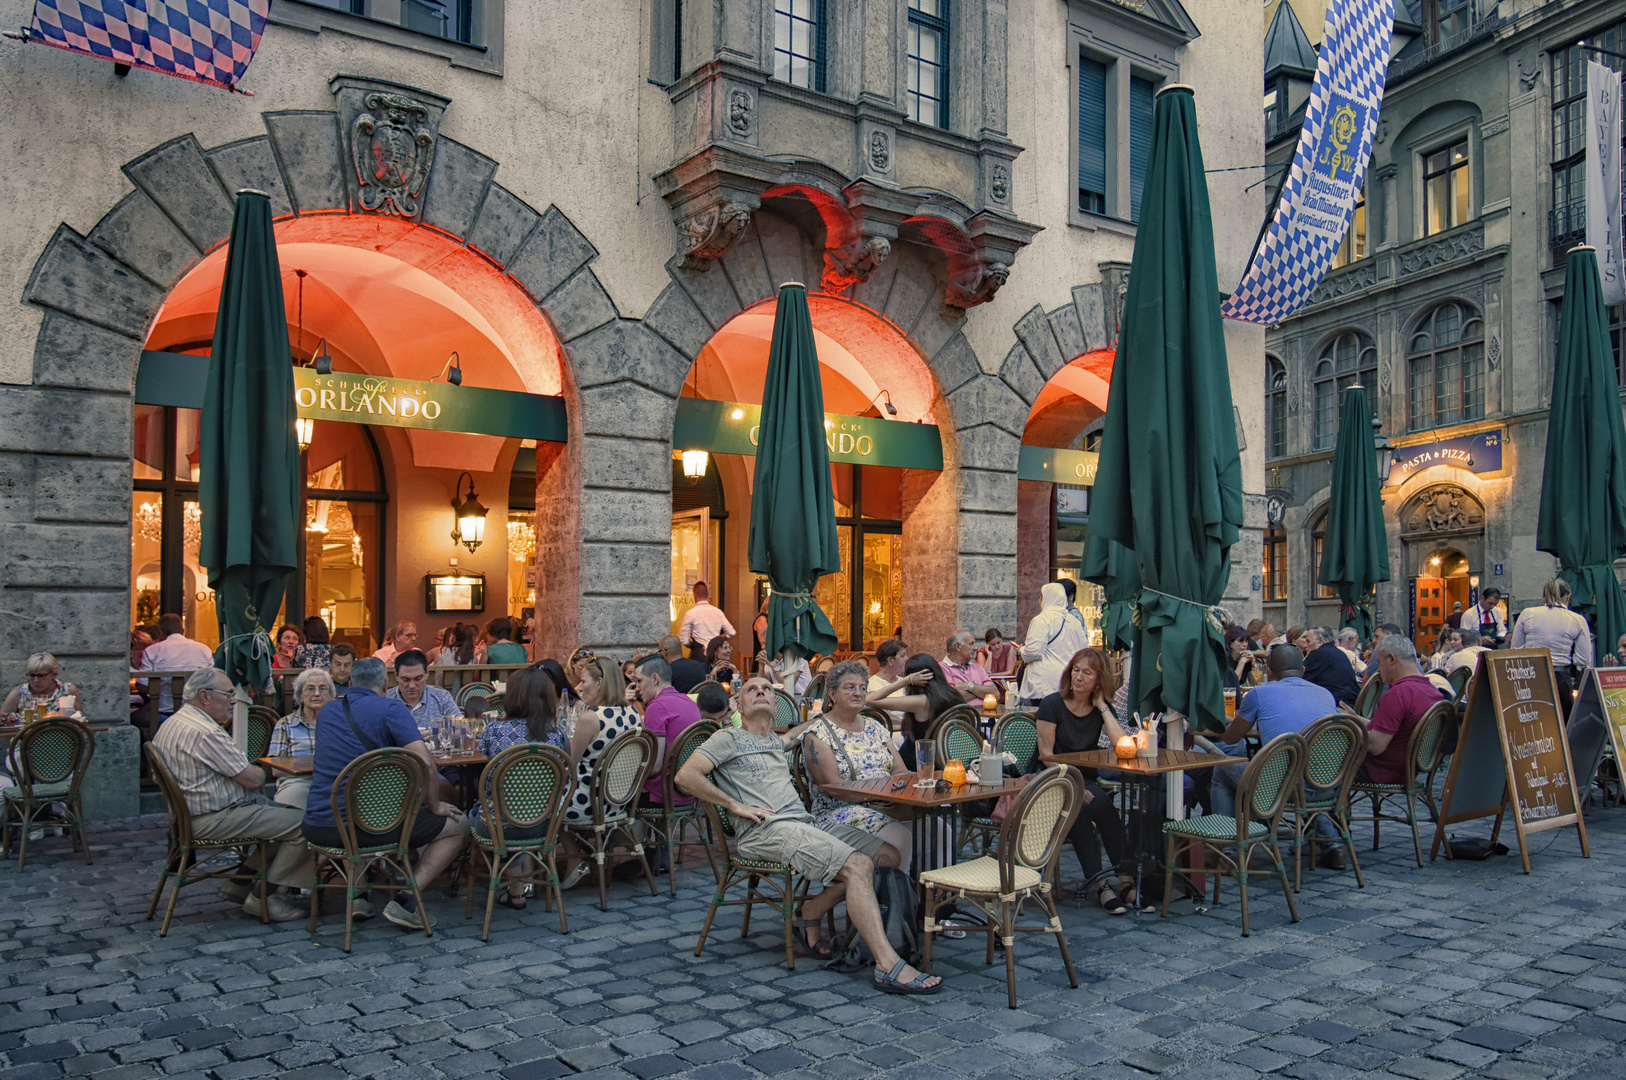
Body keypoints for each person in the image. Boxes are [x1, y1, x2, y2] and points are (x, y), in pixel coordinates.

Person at [676, 676, 942, 995]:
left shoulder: (775, 742)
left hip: (804, 825)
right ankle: (887, 965)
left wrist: (835, 710)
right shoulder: (728, 739)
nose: (762, 691)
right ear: (738, 704)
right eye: (752, 689)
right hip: (768, 830)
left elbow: (798, 732)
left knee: (889, 857)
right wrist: (733, 804)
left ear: (776, 706)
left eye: (768, 690)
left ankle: (811, 911)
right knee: (857, 866)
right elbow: (685, 775)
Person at [303, 658, 470, 931]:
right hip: (371, 829)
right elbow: (426, 762)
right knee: (459, 824)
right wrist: (434, 804)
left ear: (350, 682)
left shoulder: (328, 712)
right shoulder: (391, 708)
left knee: (358, 808)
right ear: (385, 684)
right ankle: (406, 899)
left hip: (321, 825)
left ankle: (358, 894)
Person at [153, 667, 313, 922]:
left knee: (285, 815)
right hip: (213, 816)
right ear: (205, 696)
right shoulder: (205, 732)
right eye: (227, 694)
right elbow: (252, 779)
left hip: (193, 815)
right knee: (307, 825)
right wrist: (259, 771)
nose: (233, 700)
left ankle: (239, 883)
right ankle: (262, 897)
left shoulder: (174, 722)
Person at [1212, 645, 1343, 866]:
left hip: (1280, 786)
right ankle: (1332, 844)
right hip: (1326, 784)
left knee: (1223, 770)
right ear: (1303, 671)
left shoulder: (1260, 693)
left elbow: (1231, 738)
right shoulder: (1325, 693)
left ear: (1269, 671)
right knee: (1299, 771)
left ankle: (1228, 849)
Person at [1034, 648, 1140, 913]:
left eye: (1087, 673)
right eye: (1075, 670)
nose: (1078, 677)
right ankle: (1101, 884)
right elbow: (1046, 755)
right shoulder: (1051, 704)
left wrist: (1103, 706)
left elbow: (1120, 745)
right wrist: (1074, 786)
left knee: (1105, 807)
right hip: (1053, 778)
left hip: (1086, 779)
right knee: (1077, 809)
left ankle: (1125, 879)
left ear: (1098, 680)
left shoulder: (1098, 709)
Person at [469, 667, 572, 910]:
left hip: (498, 826)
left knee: (481, 809)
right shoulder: (556, 736)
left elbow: (481, 772)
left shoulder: (494, 730)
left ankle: (516, 889)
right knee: (519, 810)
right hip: (544, 825)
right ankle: (525, 880)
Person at [623, 654, 702, 876]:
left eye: (638, 681)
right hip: (688, 790)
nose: (636, 688)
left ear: (655, 679)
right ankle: (657, 848)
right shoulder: (687, 701)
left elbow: (655, 766)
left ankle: (636, 855)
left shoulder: (657, 707)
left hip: (665, 793)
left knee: (619, 793)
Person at [561, 656, 640, 862]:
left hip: (586, 803)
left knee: (542, 803)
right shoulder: (633, 713)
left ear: (598, 683)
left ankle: (573, 860)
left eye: (584, 681)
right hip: (619, 801)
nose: (579, 688)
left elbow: (569, 766)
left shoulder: (591, 719)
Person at [1345, 635, 1446, 785]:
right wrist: (1355, 718)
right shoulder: (1432, 691)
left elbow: (1375, 746)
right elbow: (1393, 727)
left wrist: (1347, 727)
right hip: (1410, 768)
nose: (1378, 670)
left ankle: (1326, 805)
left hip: (1382, 771)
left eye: (1379, 663)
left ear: (1392, 659)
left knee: (1328, 758)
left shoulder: (1398, 694)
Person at [1511, 578, 1593, 713]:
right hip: (1559, 677)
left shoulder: (1527, 613)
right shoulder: (1577, 619)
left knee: (1530, 721)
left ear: (1544, 596)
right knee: (1561, 723)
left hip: (1529, 675)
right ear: (1568, 597)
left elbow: (1515, 649)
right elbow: (1583, 659)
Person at [867, 655, 957, 765]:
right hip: (950, 758)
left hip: (919, 762)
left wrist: (905, 681)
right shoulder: (953, 695)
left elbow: (869, 699)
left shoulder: (921, 702)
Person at [268, 667, 334, 810]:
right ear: (300, 695)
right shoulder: (285, 724)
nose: (317, 693)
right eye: (310, 689)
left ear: (330, 695)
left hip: (332, 783)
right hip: (296, 782)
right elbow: (276, 768)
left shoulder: (339, 724)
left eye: (323, 689)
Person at [1019, 582, 1089, 706]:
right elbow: (1084, 651)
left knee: (1042, 720)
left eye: (1041, 596)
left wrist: (1022, 650)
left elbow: (1033, 651)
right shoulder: (1075, 622)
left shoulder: (1042, 620)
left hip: (1044, 684)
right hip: (1069, 682)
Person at [140, 613, 216, 717]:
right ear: (183, 630)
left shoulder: (152, 651)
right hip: (197, 712)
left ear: (160, 631)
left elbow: (143, 686)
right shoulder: (204, 649)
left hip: (163, 712)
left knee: (134, 717)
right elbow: (212, 681)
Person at [2, 652, 82, 719]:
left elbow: (81, 722)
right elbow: (2, 720)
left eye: (41, 676)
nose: (36, 680)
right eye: (32, 675)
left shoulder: (67, 691)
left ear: (54, 675)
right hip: (28, 737)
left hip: (61, 736)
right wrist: (9, 720)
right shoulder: (19, 693)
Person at [1302, 627, 1359, 706]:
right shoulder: (1336, 651)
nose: (1305, 645)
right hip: (1350, 702)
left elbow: (1300, 680)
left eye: (1308, 641)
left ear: (1321, 640)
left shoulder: (1319, 653)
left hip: (1336, 706)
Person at [678, 582, 735, 660]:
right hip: (716, 654)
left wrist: (693, 645)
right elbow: (731, 632)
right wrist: (720, 638)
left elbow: (684, 640)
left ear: (694, 595)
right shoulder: (718, 612)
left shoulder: (691, 614)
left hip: (698, 654)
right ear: (707, 594)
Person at [941, 629, 997, 703]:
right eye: (971, 644)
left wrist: (970, 686)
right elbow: (953, 698)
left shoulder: (977, 667)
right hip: (962, 714)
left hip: (986, 713)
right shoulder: (942, 668)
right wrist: (981, 693)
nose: (976, 648)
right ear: (958, 646)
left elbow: (996, 694)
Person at [867, 639, 909, 731]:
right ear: (890, 660)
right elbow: (880, 714)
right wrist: (906, 725)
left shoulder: (905, 681)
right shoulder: (872, 685)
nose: (907, 659)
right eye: (903, 656)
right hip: (891, 731)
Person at [1222, 626, 1254, 690]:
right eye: (1241, 641)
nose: (1245, 644)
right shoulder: (1225, 659)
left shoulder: (1245, 658)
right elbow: (1232, 683)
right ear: (1231, 644)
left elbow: (1253, 683)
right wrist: (1241, 663)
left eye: (1246, 641)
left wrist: (1253, 663)